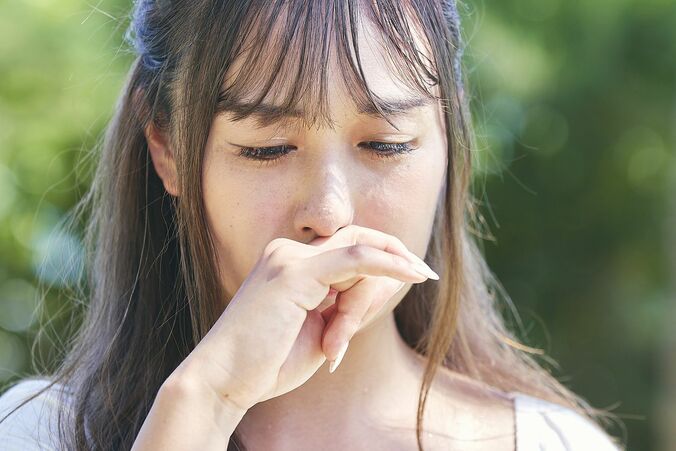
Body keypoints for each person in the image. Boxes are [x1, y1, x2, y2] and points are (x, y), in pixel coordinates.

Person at [0, 0, 624, 450]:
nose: (330, 215)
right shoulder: (38, 433)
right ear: (166, 148)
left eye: (385, 144)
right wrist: (202, 407)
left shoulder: (553, 443)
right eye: (268, 148)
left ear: (448, 138)